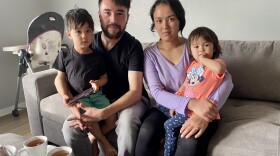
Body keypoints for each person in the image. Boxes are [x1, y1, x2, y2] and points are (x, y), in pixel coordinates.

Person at [135, 0, 233, 156]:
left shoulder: (195, 47)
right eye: (159, 21)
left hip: (201, 110)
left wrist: (205, 113)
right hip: (165, 108)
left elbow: (227, 80)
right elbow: (157, 93)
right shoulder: (149, 54)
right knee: (146, 133)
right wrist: (190, 103)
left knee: (189, 140)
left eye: (171, 19)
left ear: (180, 20)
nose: (165, 26)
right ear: (154, 24)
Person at [61, 0, 149, 156]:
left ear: (127, 16)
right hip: (99, 99)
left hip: (130, 100)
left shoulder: (132, 46)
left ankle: (97, 137)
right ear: (99, 15)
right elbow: (64, 76)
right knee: (70, 130)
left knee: (127, 125)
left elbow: (135, 92)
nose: (113, 20)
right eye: (107, 12)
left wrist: (103, 113)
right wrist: (72, 103)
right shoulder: (87, 42)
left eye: (120, 13)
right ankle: (95, 141)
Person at [53, 8, 117, 156]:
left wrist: (97, 83)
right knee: (88, 118)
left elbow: (105, 77)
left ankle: (93, 136)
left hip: (96, 95)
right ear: (69, 34)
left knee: (112, 119)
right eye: (78, 32)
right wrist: (64, 95)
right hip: (79, 99)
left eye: (88, 31)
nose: (84, 36)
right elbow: (59, 78)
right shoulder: (64, 55)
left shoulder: (98, 56)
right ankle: (103, 141)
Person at [163, 26, 226, 156]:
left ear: (214, 47)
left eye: (206, 45)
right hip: (187, 106)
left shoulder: (216, 63)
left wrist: (203, 59)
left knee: (168, 125)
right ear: (191, 50)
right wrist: (177, 98)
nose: (201, 50)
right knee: (167, 118)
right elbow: (185, 84)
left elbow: (220, 69)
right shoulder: (192, 65)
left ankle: (168, 152)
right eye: (196, 47)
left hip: (199, 111)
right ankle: (171, 140)